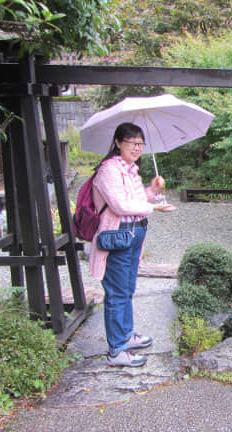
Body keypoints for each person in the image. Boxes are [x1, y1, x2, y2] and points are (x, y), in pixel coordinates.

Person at [88, 122, 175, 367]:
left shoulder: (130, 169)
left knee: (126, 289)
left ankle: (126, 336)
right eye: (131, 143)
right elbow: (120, 206)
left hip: (133, 234)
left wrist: (152, 190)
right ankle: (116, 350)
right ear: (118, 143)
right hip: (118, 236)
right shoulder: (108, 170)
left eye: (140, 144)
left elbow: (135, 200)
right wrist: (155, 207)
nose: (137, 148)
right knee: (116, 293)